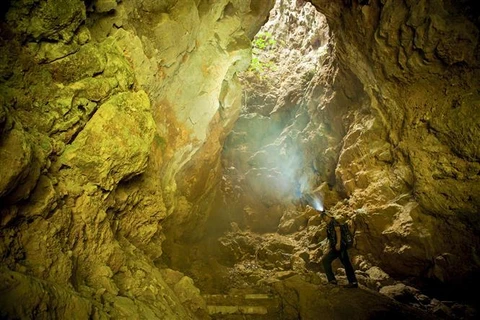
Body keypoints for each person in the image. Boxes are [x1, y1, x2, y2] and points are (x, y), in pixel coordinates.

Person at [320, 210, 358, 288]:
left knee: (346, 263)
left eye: (325, 216)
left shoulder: (334, 222)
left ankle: (353, 282)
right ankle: (332, 280)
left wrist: (338, 243)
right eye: (323, 217)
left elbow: (338, 231)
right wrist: (330, 247)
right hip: (336, 247)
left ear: (329, 216)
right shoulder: (329, 225)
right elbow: (331, 238)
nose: (324, 218)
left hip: (340, 247)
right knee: (326, 260)